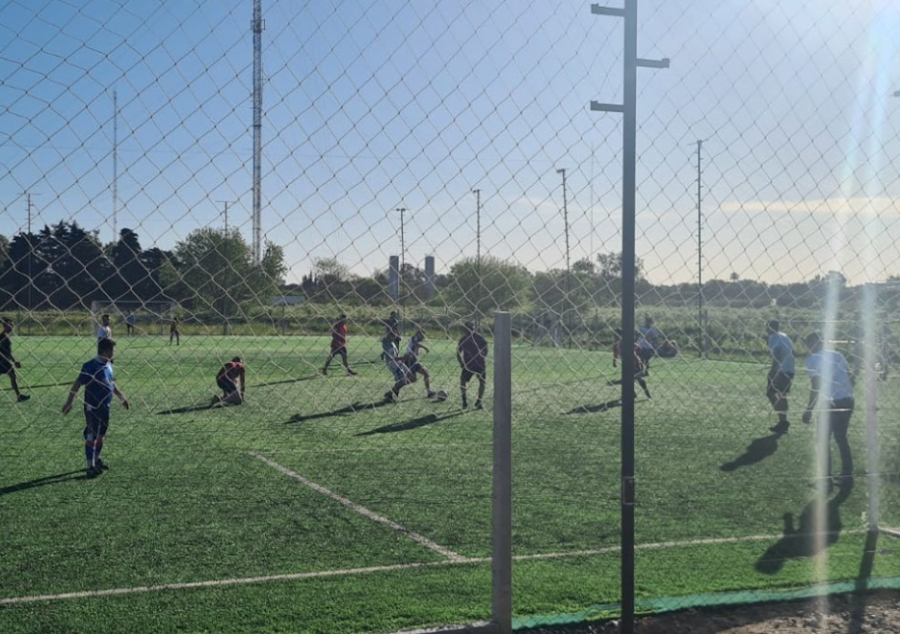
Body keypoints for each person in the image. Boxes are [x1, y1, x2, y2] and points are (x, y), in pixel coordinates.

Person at [62, 337, 129, 479]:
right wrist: (69, 402)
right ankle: (90, 466)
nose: (114, 353)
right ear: (105, 350)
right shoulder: (90, 366)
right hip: (92, 406)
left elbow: (111, 384)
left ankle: (96, 459)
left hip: (106, 406)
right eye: (113, 350)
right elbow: (77, 384)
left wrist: (122, 398)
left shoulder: (108, 365)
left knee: (101, 435)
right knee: (92, 435)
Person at [801, 332, 854, 489]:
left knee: (822, 440)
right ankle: (847, 475)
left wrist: (809, 409)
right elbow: (850, 376)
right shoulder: (837, 354)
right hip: (848, 400)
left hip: (831, 403)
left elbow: (816, 386)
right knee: (841, 438)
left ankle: (825, 479)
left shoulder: (812, 359)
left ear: (810, 345)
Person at [766, 319, 795, 434]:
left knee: (771, 393)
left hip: (782, 371)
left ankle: (783, 420)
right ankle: (783, 421)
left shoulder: (774, 338)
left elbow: (778, 354)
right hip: (789, 369)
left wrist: (773, 371)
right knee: (781, 394)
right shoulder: (784, 336)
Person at [612, 329, 652, 399]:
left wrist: (637, 356)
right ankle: (632, 393)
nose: (616, 337)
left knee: (637, 378)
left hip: (634, 363)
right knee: (628, 379)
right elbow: (615, 354)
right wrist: (614, 362)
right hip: (626, 364)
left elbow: (639, 348)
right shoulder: (616, 345)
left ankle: (646, 391)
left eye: (617, 335)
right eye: (615, 336)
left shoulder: (627, 342)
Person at [457, 321, 488, 410]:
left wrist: (461, 363)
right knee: (479, 382)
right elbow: (458, 352)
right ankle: (471, 401)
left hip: (473, 364)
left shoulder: (476, 337)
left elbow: (485, 348)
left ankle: (473, 400)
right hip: (475, 364)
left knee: (478, 382)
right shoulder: (475, 337)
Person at [1, 317, 30, 402]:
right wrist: (13, 361)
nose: (12, 327)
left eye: (12, 326)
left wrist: (13, 361)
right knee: (13, 376)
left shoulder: (5, 336)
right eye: (10, 325)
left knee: (13, 376)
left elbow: (7, 352)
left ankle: (19, 396)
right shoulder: (4, 337)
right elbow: (6, 352)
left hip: (4, 361)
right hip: (2, 361)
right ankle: (19, 396)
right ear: (5, 326)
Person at [404, 326, 435, 397]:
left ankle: (429, 392)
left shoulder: (415, 338)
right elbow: (415, 344)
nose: (423, 337)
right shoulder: (415, 338)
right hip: (410, 360)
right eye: (423, 335)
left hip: (413, 360)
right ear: (419, 334)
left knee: (414, 378)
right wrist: (425, 347)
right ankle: (396, 387)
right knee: (422, 375)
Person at [382, 329, 411, 402]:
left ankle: (395, 390)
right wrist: (404, 357)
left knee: (410, 376)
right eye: (394, 335)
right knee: (403, 380)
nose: (396, 336)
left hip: (398, 362)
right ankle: (390, 393)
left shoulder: (391, 342)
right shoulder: (389, 345)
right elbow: (392, 358)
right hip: (393, 364)